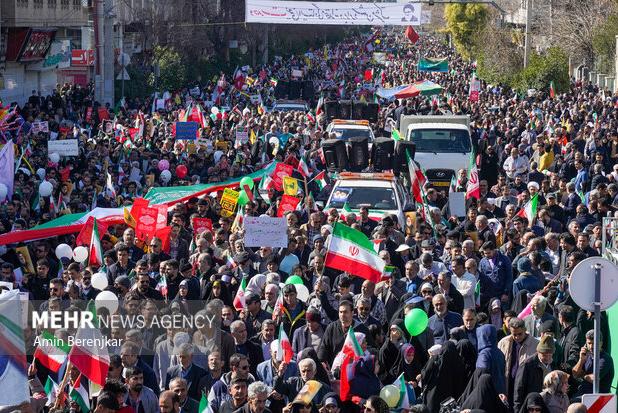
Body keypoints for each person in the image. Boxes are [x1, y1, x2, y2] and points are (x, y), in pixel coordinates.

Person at [513, 335, 556, 412]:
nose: (547, 358)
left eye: (550, 355)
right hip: (532, 407)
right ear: (538, 352)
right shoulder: (527, 364)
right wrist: (517, 410)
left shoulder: (554, 363)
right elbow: (519, 389)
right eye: (544, 355)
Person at [571, 330, 615, 397]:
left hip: (597, 397)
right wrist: (581, 360)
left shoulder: (605, 359)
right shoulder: (587, 355)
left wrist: (583, 375)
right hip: (583, 393)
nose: (591, 346)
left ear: (601, 343)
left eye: (594, 343)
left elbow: (594, 379)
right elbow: (575, 374)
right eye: (589, 343)